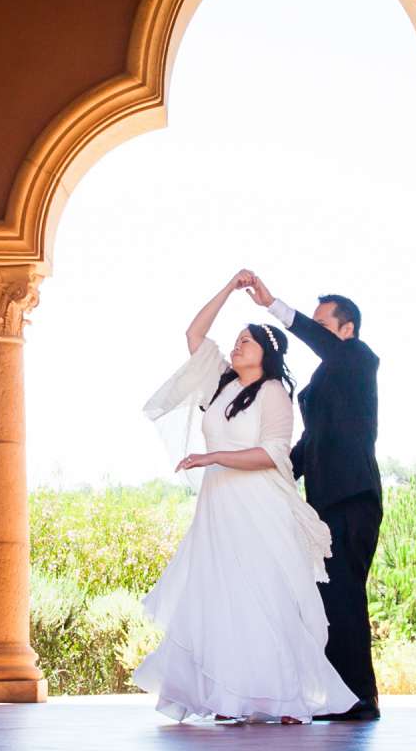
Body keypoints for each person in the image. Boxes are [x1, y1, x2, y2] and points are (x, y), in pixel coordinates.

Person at [133, 272, 358, 724]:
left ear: (267, 354)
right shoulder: (219, 383)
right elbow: (194, 334)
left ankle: (289, 698)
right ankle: (229, 697)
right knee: (223, 599)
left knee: (264, 598)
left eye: (247, 342)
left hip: (259, 506)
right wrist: (228, 288)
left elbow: (273, 454)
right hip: (217, 508)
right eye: (236, 340)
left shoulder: (274, 393)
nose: (236, 347)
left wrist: (211, 456)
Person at [244, 271, 381, 721]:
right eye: (316, 323)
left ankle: (361, 699)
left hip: (352, 497)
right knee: (333, 597)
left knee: (344, 596)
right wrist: (275, 472)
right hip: (324, 503)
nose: (318, 330)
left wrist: (274, 306)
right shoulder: (328, 377)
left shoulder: (359, 359)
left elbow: (323, 345)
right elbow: (309, 444)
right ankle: (345, 697)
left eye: (325, 325)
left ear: (348, 331)